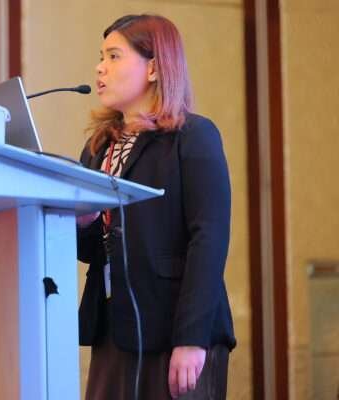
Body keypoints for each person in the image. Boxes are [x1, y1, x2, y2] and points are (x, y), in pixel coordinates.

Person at [76, 14, 236, 399]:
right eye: (100, 57)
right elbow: (93, 251)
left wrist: (191, 338)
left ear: (153, 68)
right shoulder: (98, 148)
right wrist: (82, 224)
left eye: (113, 56)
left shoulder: (193, 135)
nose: (100, 68)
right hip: (113, 329)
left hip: (176, 330)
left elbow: (209, 238)